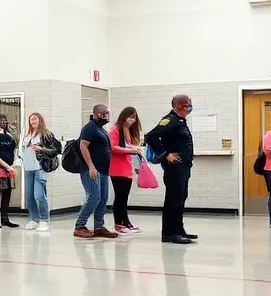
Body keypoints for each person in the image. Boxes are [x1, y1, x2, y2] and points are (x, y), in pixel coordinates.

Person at [146, 94, 196, 245]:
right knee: (173, 199)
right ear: (177, 106)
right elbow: (151, 136)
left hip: (184, 165)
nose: (190, 107)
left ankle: (178, 229)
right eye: (187, 105)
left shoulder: (180, 121)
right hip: (174, 167)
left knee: (181, 197)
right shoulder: (170, 120)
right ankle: (169, 233)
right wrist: (165, 155)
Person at [75, 104, 117, 239]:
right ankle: (80, 225)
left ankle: (99, 226)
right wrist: (91, 166)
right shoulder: (90, 128)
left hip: (103, 170)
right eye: (106, 114)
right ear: (98, 114)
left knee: (103, 198)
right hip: (91, 169)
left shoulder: (100, 129)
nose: (108, 116)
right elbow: (83, 145)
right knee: (94, 197)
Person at [108, 107, 144, 235]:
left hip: (127, 167)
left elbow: (131, 146)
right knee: (120, 197)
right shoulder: (115, 130)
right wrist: (132, 150)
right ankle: (118, 224)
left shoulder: (128, 131)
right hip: (117, 168)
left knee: (124, 197)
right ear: (124, 116)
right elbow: (113, 148)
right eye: (130, 116)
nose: (132, 120)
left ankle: (126, 222)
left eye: (134, 117)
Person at [20, 112, 57, 232]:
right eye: (31, 120)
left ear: (40, 120)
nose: (33, 122)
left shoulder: (46, 134)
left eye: (35, 119)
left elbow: (55, 150)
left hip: (40, 167)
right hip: (28, 167)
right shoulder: (27, 135)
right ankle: (34, 219)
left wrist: (41, 148)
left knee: (39, 195)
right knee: (29, 195)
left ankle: (44, 220)